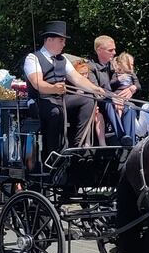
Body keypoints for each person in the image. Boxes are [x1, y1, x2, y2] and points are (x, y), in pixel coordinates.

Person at [23, 20, 105, 162]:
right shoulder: (33, 58)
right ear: (49, 40)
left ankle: (78, 146)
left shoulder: (64, 60)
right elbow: (38, 84)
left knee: (89, 99)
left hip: (60, 100)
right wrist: (53, 88)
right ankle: (53, 156)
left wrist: (96, 88)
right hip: (40, 101)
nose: (64, 44)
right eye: (61, 40)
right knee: (55, 111)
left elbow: (78, 79)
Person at [89, 36, 139, 146]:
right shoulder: (91, 67)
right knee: (110, 103)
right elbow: (95, 89)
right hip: (100, 102)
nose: (114, 52)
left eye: (114, 49)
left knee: (130, 106)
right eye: (110, 50)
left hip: (118, 99)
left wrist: (132, 88)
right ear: (99, 50)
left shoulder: (114, 65)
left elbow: (131, 75)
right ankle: (121, 135)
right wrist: (113, 97)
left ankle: (130, 141)